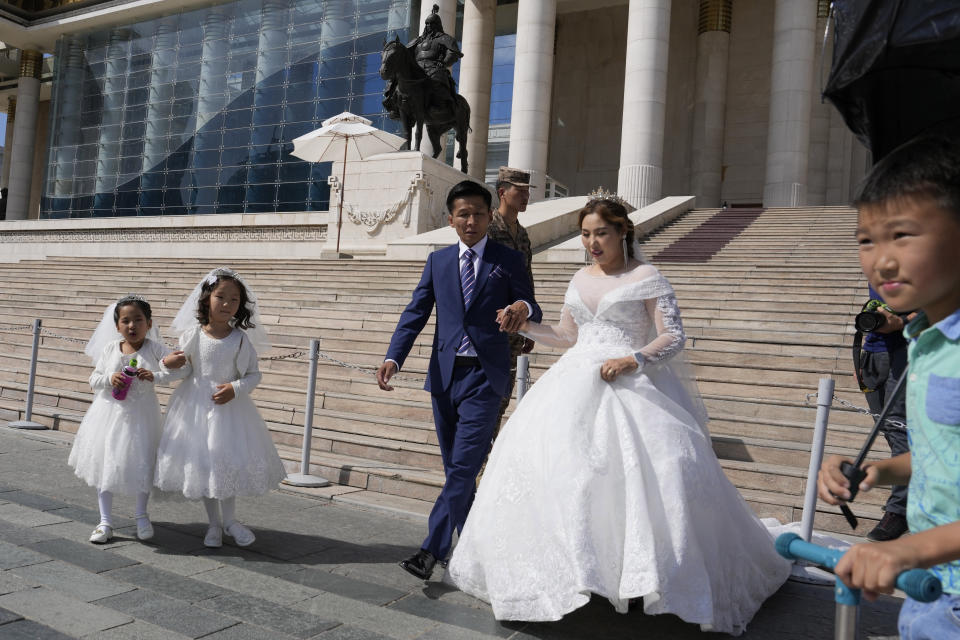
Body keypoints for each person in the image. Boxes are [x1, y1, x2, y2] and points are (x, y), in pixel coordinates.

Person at [445, 197, 790, 633]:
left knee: (654, 475)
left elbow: (673, 336)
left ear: (623, 231)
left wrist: (634, 360)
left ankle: (643, 577)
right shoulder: (578, 278)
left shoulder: (647, 276)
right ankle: (578, 574)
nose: (592, 242)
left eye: (600, 233)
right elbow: (568, 335)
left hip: (632, 387)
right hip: (572, 385)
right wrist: (525, 327)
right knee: (565, 475)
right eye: (586, 234)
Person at [817, 133, 960, 639]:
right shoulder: (925, 342)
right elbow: (942, 458)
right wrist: (875, 471)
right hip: (931, 588)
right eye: (865, 240)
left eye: (902, 235)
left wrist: (904, 549)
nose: (882, 260)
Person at [376, 180, 542, 580]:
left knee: (464, 467)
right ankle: (473, 549)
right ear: (450, 219)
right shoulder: (438, 262)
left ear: (490, 216)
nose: (471, 221)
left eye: (478, 214)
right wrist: (393, 357)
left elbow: (532, 303)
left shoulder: (508, 259)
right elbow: (415, 313)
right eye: (463, 214)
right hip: (445, 377)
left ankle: (430, 550)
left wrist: (520, 306)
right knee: (457, 470)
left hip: (487, 377)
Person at [155, 267, 286, 548]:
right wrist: (166, 365)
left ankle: (230, 521)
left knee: (225, 464)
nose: (227, 304)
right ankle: (213, 524)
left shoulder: (240, 339)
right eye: (221, 297)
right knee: (206, 465)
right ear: (206, 300)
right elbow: (183, 370)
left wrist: (235, 389)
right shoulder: (192, 335)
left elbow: (253, 374)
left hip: (230, 410)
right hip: (195, 409)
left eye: (234, 300)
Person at [68, 295, 174, 544]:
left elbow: (175, 370)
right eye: (125, 321)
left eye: (138, 320)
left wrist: (155, 375)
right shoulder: (110, 349)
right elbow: (94, 379)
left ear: (149, 323)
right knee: (106, 463)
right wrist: (109, 378)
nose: (132, 326)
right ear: (117, 326)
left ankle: (141, 515)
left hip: (142, 416)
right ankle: (105, 521)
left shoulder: (156, 349)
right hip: (109, 416)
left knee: (142, 463)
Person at [856, 284, 910, 541]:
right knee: (889, 429)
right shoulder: (877, 259)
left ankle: (899, 511)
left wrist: (902, 321)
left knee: (901, 429)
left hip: (907, 348)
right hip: (874, 349)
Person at [486, 167, 536, 435]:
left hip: (516, 326)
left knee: (504, 396)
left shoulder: (523, 234)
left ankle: (485, 457)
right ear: (503, 192)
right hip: (492, 327)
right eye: (521, 190)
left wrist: (532, 323)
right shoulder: (487, 230)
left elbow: (527, 280)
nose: (526, 195)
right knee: (488, 395)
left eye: (528, 191)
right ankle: (477, 459)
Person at [383, 4, 462, 119]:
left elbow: (453, 53)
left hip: (434, 67)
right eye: (427, 23)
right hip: (417, 68)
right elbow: (406, 53)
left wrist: (444, 62)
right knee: (397, 79)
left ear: (437, 25)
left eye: (431, 23)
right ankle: (394, 106)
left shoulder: (444, 38)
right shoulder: (418, 40)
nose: (428, 26)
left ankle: (441, 105)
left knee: (437, 80)